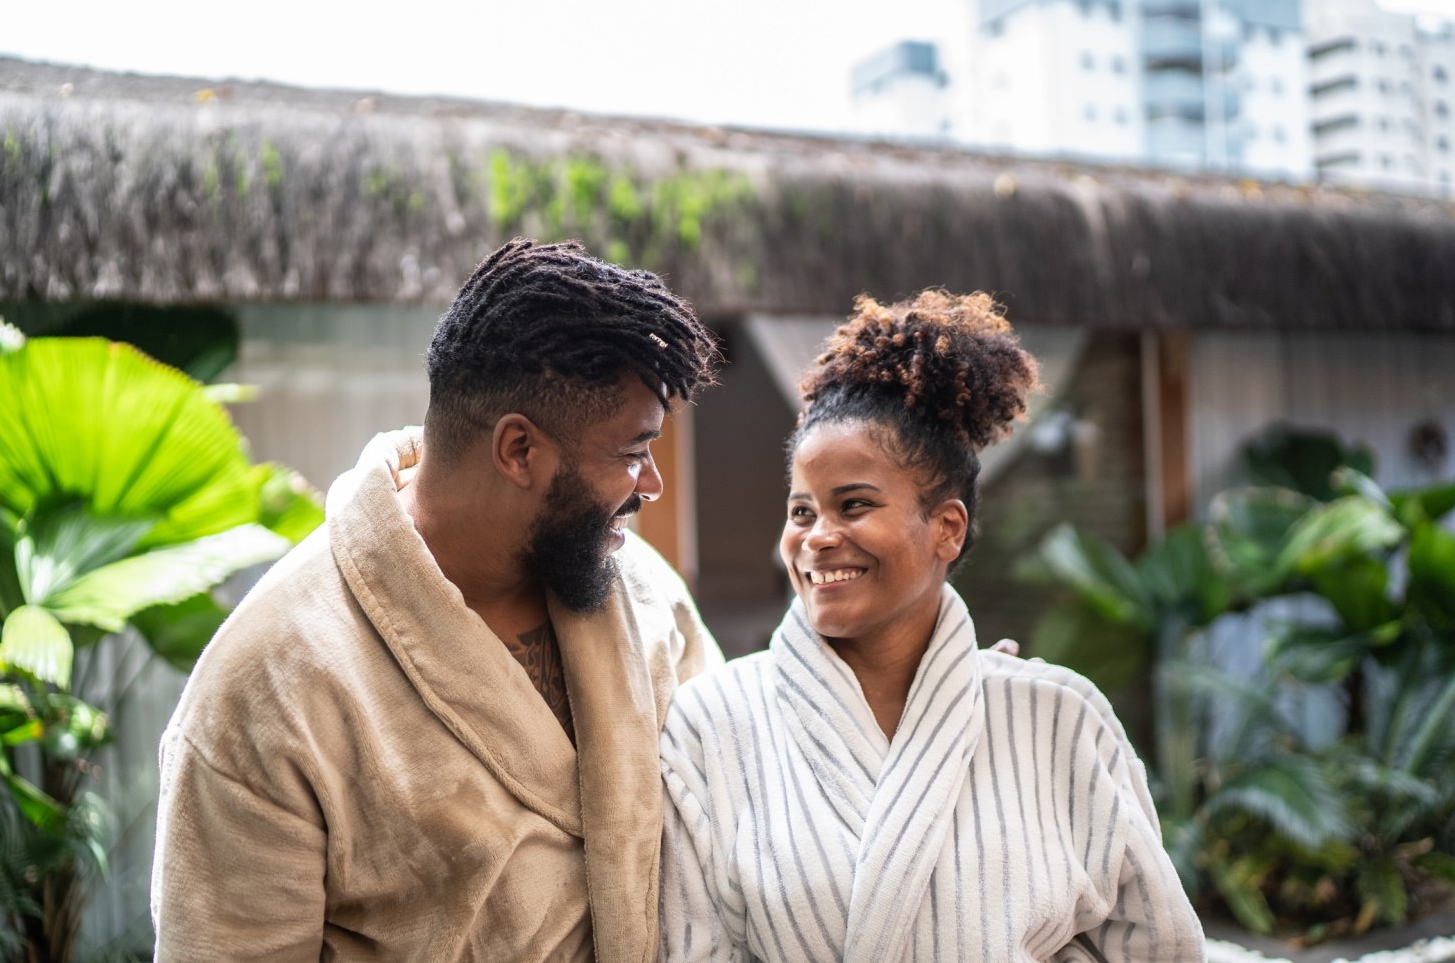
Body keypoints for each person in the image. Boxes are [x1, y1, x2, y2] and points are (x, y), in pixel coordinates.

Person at [152, 238, 724, 961]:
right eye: (632, 453)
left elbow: (725, 835)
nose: (651, 487)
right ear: (519, 451)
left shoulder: (646, 596)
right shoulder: (270, 680)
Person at [658, 291, 1205, 961]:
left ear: (947, 528)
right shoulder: (712, 724)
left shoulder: (1060, 720)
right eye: (802, 512)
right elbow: (689, 948)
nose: (817, 538)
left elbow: (1159, 947)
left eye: (853, 505)